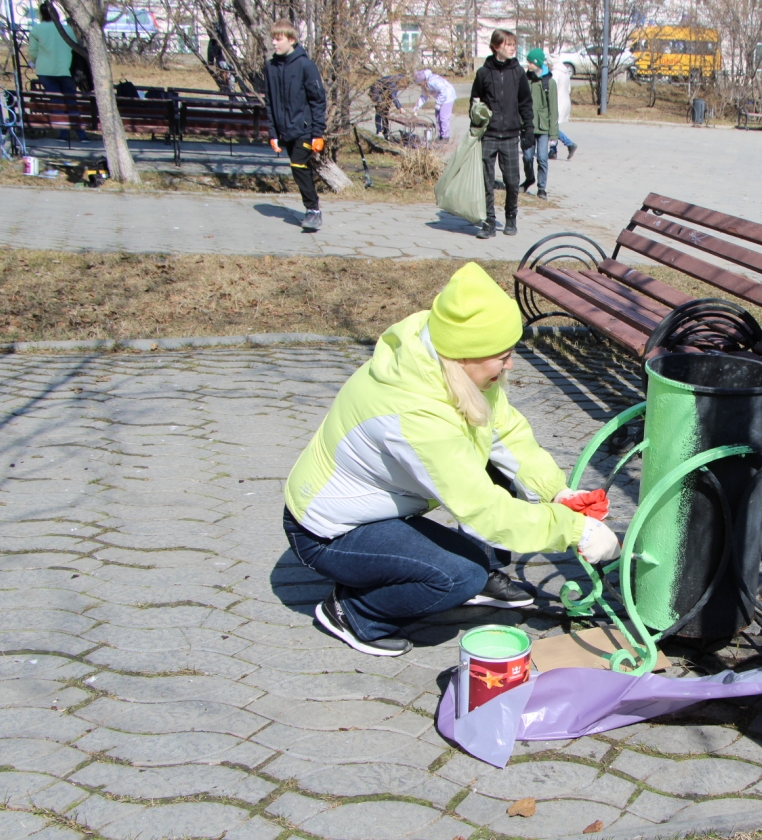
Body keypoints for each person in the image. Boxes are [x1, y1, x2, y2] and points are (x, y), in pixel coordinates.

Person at [283, 263, 622, 656]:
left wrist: (555, 491)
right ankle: (355, 613)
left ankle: (473, 568)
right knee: (457, 578)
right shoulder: (416, 415)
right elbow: (480, 507)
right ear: (466, 357)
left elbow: (506, 434)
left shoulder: (444, 352)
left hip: (382, 506)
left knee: (494, 469)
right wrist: (574, 531)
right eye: (503, 355)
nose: (511, 364)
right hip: (330, 533)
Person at [265, 19, 327, 232]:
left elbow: (318, 100)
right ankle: (311, 207)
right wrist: (273, 132)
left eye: (278, 38)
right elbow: (270, 102)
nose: (274, 42)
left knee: (299, 166)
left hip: (305, 128)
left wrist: (317, 133)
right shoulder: (271, 67)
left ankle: (313, 211)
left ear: (291, 40)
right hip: (285, 129)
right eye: (272, 38)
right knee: (298, 168)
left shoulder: (305, 65)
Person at [470, 29, 532, 239]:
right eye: (508, 44)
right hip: (489, 134)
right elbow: (475, 101)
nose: (512, 47)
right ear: (496, 46)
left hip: (510, 136)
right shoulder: (483, 73)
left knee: (512, 181)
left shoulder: (518, 72)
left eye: (514, 44)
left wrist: (528, 129)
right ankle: (488, 222)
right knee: (487, 181)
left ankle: (511, 218)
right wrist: (475, 126)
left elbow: (525, 102)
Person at [28, 3, 86, 142]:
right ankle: (81, 135)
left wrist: (32, 61)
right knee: (71, 102)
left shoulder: (37, 29)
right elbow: (75, 47)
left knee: (56, 102)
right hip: (66, 69)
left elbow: (33, 51)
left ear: (41, 14)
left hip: (46, 71)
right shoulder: (67, 29)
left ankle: (63, 134)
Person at [520, 49, 557, 199]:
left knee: (542, 158)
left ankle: (542, 188)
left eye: (530, 62)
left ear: (537, 63)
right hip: (527, 126)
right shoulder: (524, 80)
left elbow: (553, 110)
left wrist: (553, 134)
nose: (528, 64)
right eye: (528, 61)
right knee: (527, 157)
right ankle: (529, 178)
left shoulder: (549, 82)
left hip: (543, 127)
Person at [412, 68, 457, 142]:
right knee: (437, 116)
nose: (419, 85)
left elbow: (444, 91)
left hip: (448, 96)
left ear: (423, 80)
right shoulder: (425, 85)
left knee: (443, 117)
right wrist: (417, 107)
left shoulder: (433, 81)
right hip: (441, 97)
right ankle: (440, 135)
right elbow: (424, 96)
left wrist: (439, 103)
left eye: (419, 83)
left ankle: (445, 137)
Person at [548, 57, 577, 160]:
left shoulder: (555, 72)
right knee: (553, 126)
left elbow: (552, 88)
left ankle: (569, 144)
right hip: (565, 100)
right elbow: (568, 89)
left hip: (557, 101)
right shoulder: (565, 72)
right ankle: (553, 151)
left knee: (551, 127)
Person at [368, 73, 410, 139]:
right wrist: (400, 108)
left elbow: (393, 95)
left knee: (386, 111)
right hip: (375, 92)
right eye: (404, 86)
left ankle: (386, 131)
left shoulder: (398, 79)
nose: (403, 88)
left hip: (383, 92)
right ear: (402, 82)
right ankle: (379, 131)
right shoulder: (394, 83)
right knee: (380, 110)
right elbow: (393, 96)